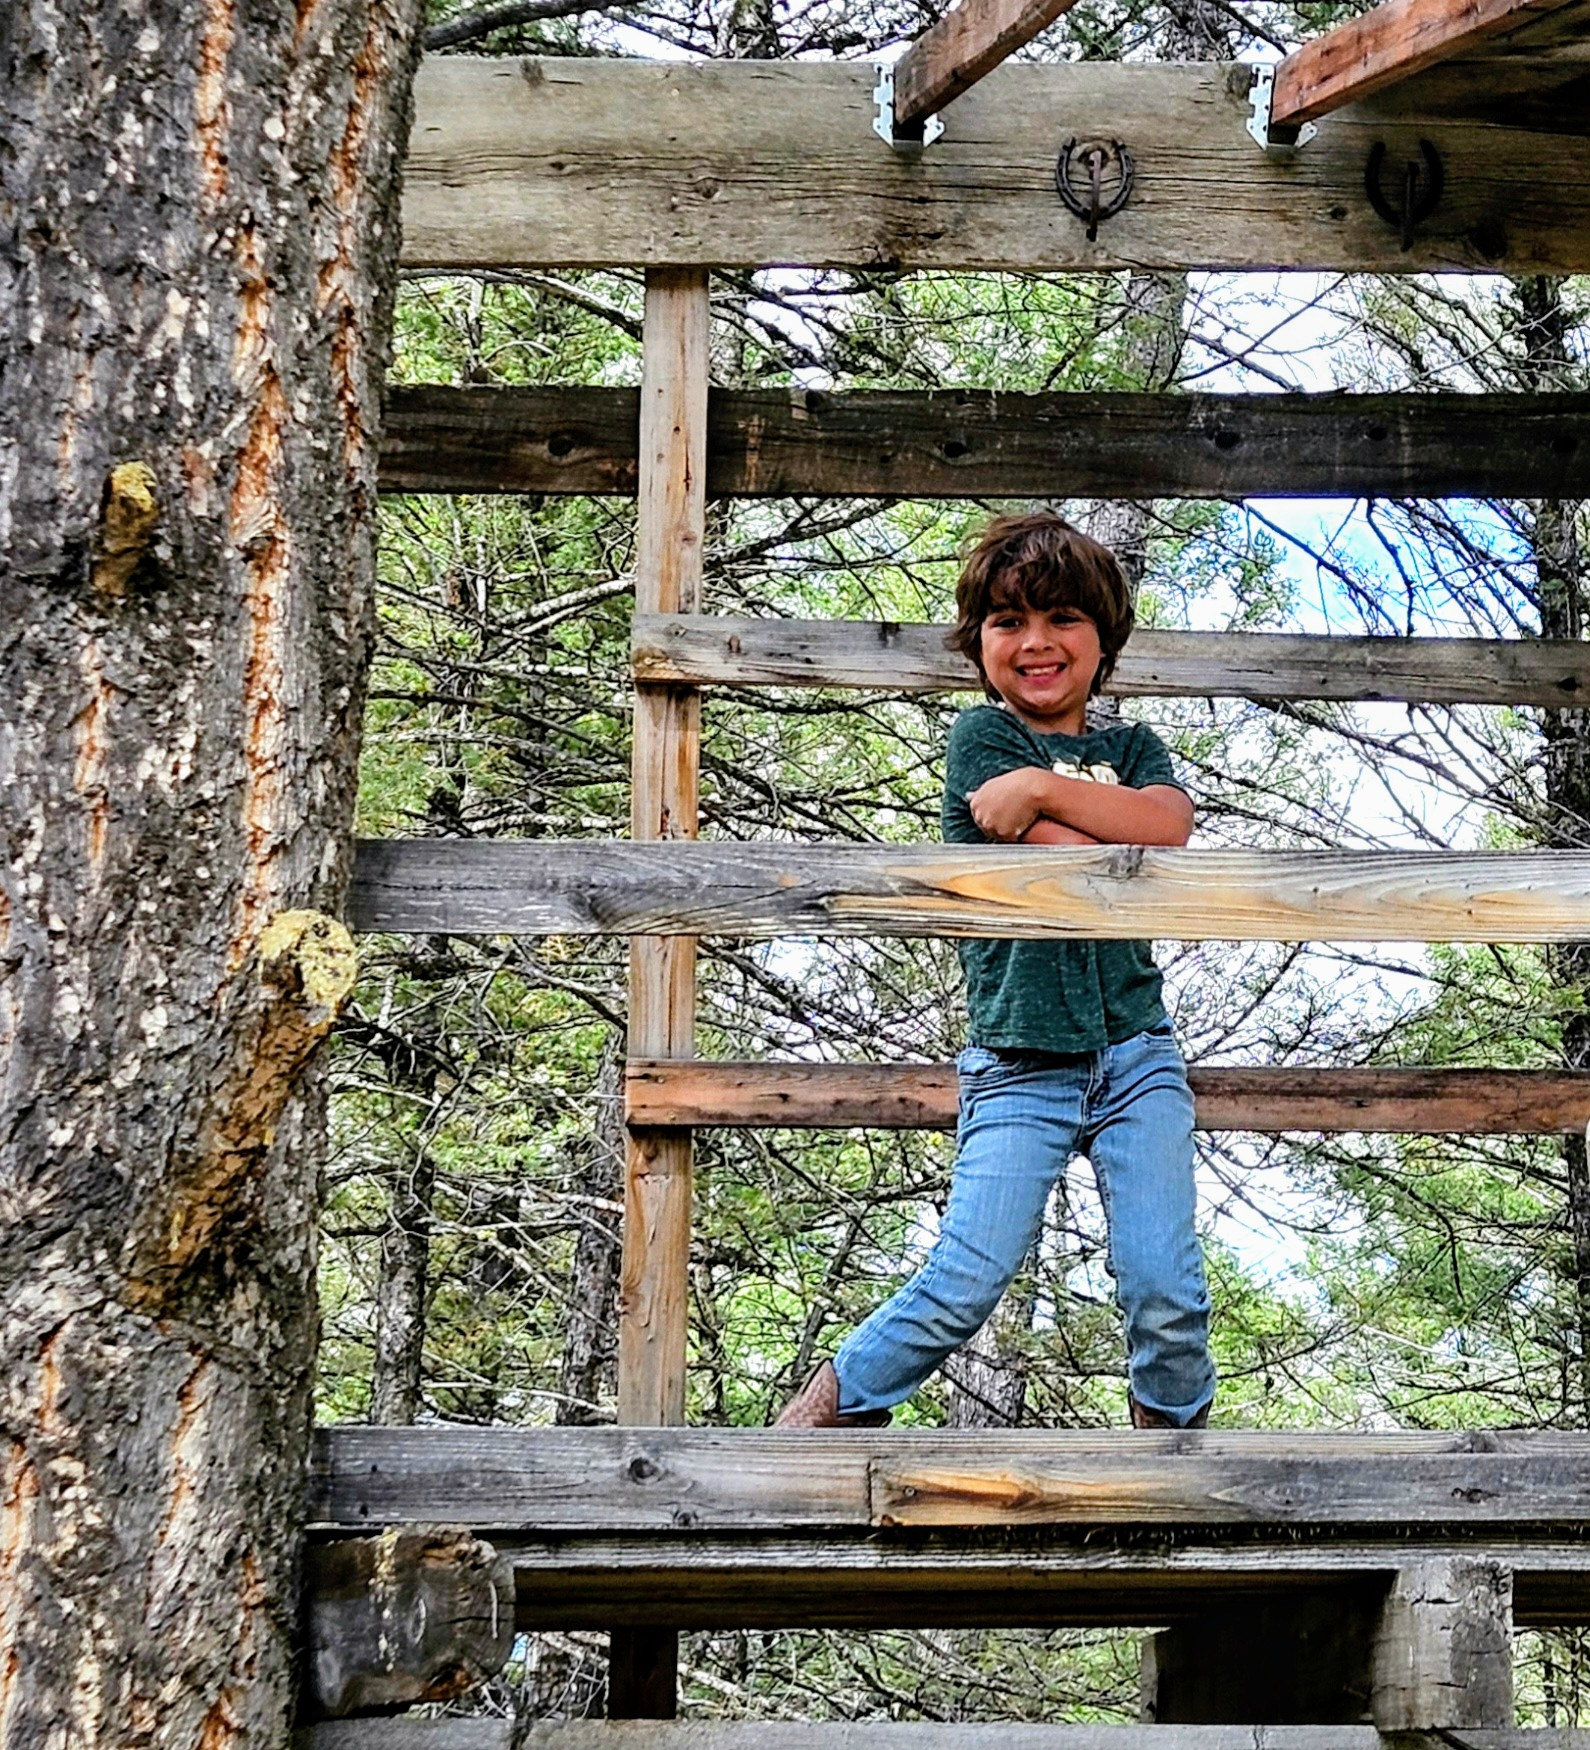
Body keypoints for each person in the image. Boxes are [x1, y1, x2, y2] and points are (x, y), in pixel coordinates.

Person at [774, 510, 1215, 1432]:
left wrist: (1050, 791)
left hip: (1139, 1057)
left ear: (1105, 640)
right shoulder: (982, 740)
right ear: (979, 645)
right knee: (966, 1275)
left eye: (1062, 619)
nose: (1037, 642)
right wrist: (1096, 823)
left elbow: (1166, 829)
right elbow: (1070, 864)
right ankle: (816, 1425)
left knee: (1166, 1287)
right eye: (1009, 622)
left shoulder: (1136, 753)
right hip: (1021, 1061)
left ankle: (1173, 1466)